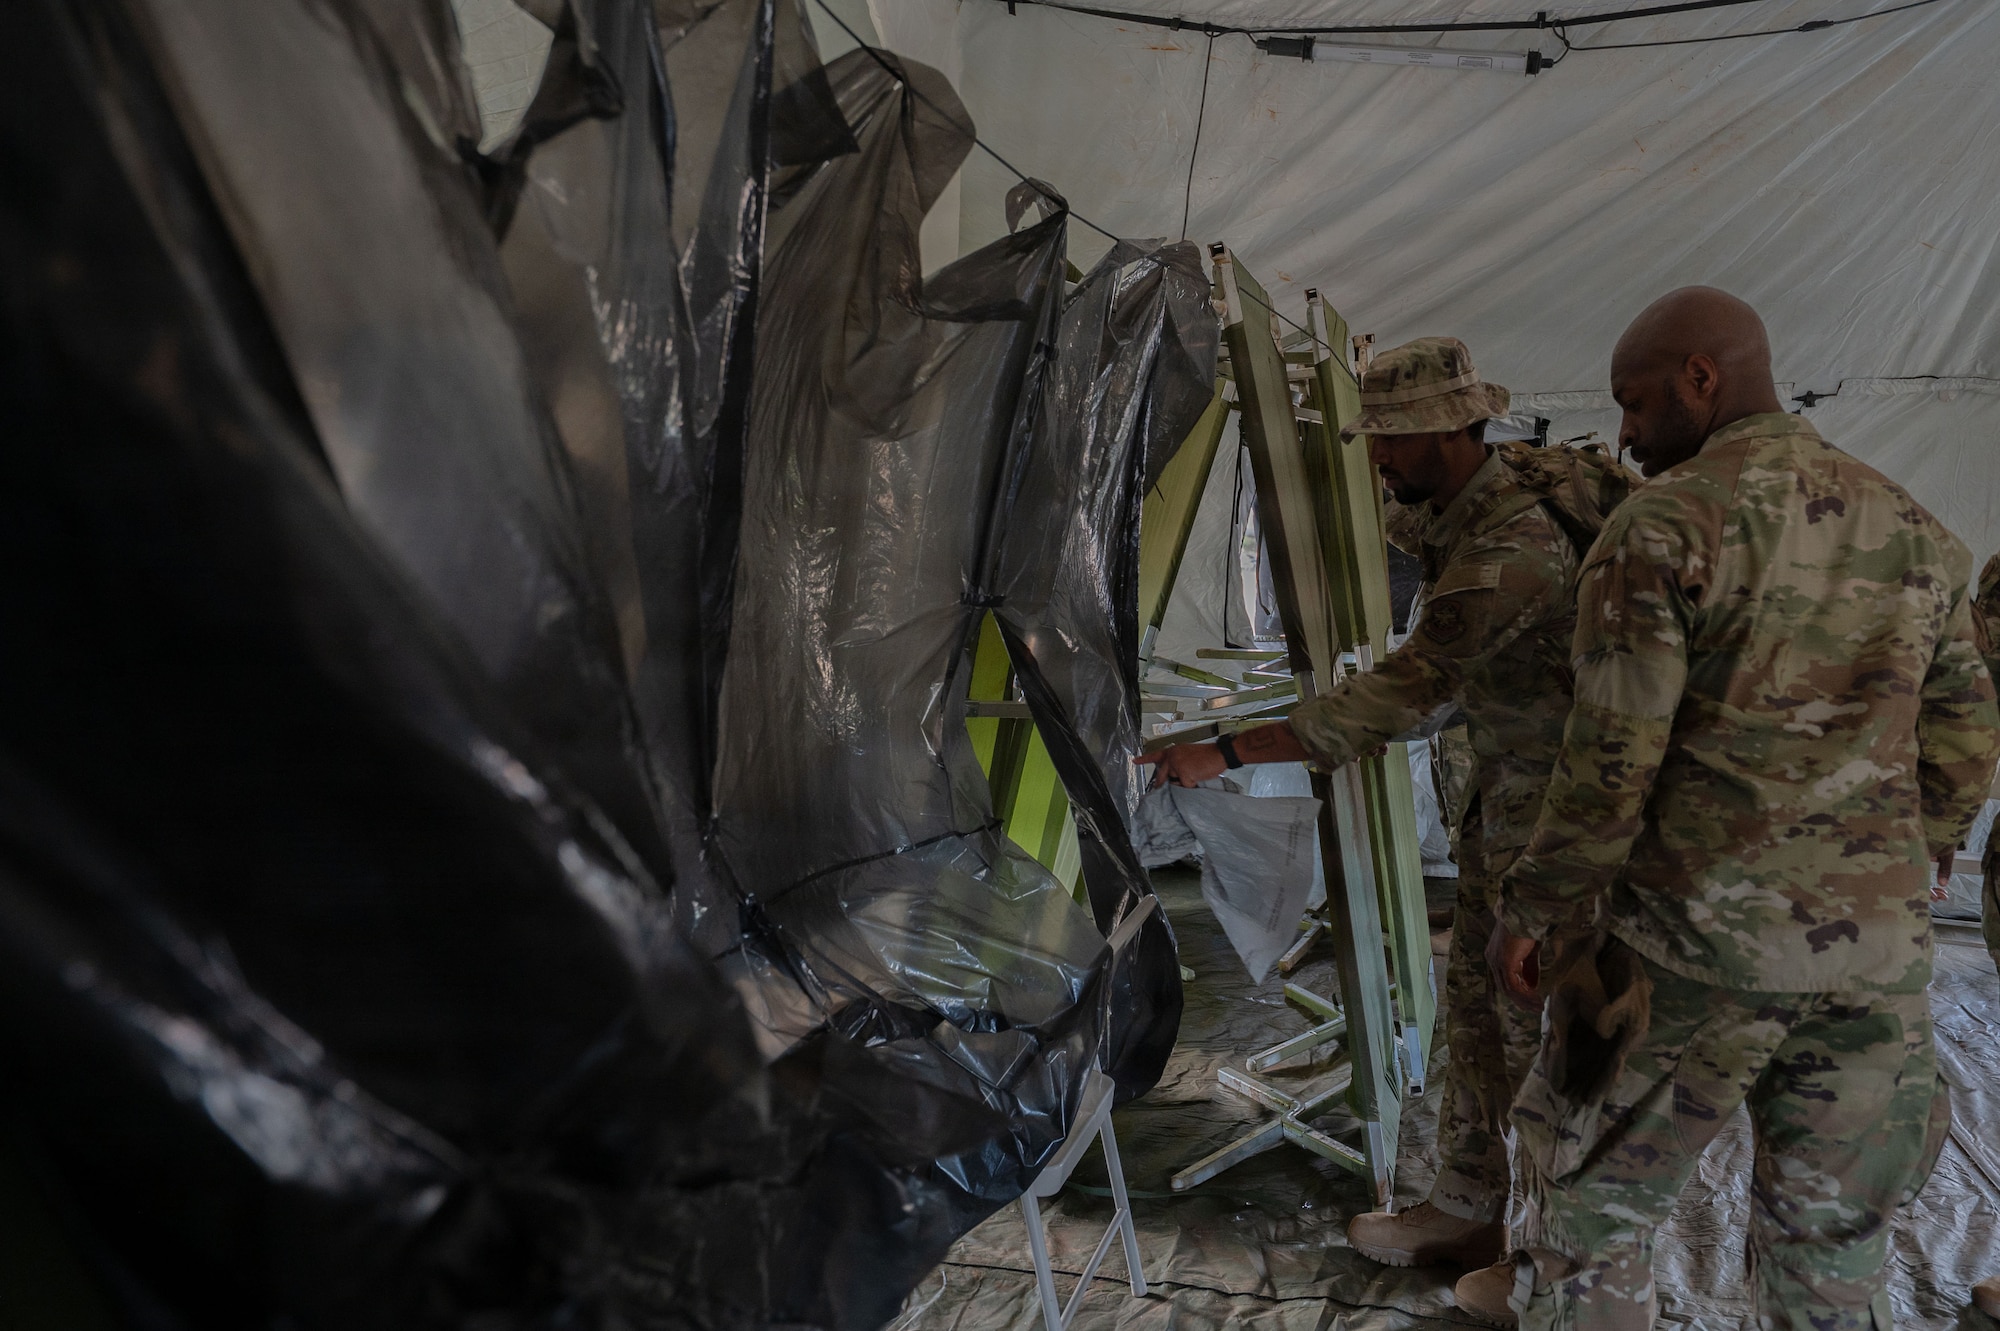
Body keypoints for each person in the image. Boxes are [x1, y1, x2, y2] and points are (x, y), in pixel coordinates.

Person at [1487, 287, 2000, 1329]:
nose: (1623, 434)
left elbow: (1607, 762)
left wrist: (1533, 905)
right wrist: (1920, 852)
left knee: (1586, 1218)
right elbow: (1963, 734)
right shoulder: (1915, 529)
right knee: (1830, 1246)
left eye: (1632, 404)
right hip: (1873, 965)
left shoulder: (1662, 526)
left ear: (1699, 378)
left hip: (1690, 954)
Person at [1138, 336, 1593, 1321]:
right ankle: (1468, 1207)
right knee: (1474, 1010)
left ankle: (1546, 1267)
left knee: (1539, 1042)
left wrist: (1224, 747)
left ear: (1451, 429)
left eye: (1391, 439)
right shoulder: (1461, 498)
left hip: (1561, 819)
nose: (1377, 458)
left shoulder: (1507, 545)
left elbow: (1401, 699)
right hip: (1502, 795)